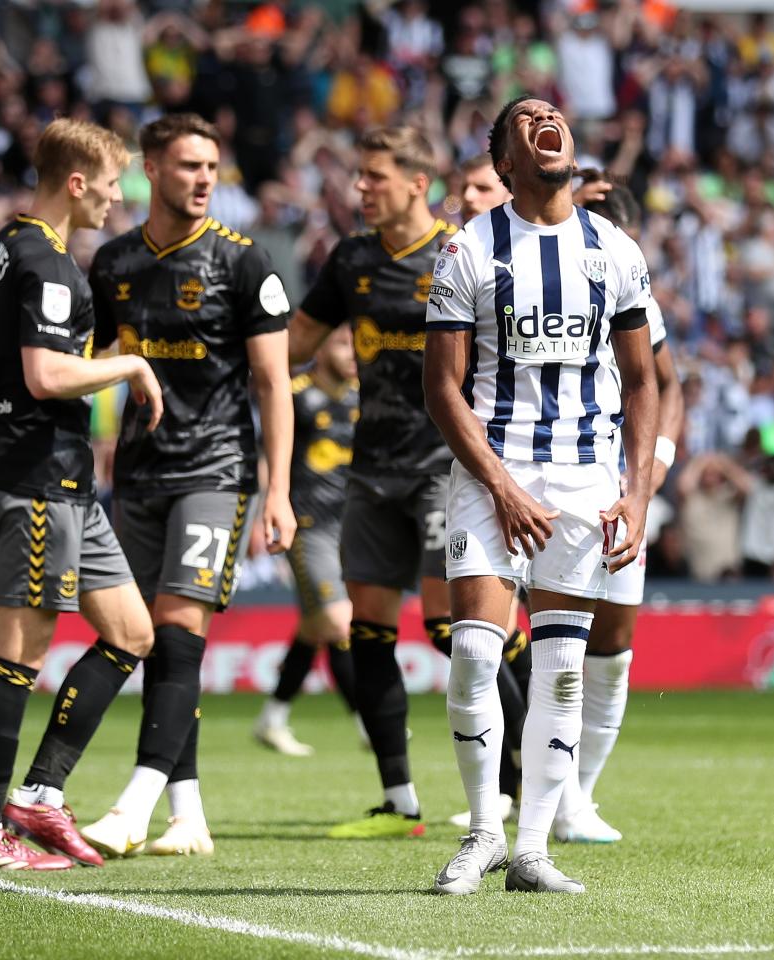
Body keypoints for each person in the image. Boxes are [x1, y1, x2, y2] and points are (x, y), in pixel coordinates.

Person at [424, 96, 658, 895]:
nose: (544, 119)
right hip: (493, 478)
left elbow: (643, 381)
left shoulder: (615, 250)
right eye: (524, 119)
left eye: (551, 112)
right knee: (473, 655)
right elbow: (442, 390)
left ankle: (530, 850)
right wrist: (501, 485)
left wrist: (638, 494)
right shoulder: (468, 251)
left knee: (562, 670)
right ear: (506, 161)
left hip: (584, 483)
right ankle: (483, 832)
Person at [79, 113, 296, 859]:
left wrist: (278, 491)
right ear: (149, 168)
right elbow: (91, 360)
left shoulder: (243, 262)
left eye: (211, 166)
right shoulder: (111, 264)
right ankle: (188, 814)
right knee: (155, 645)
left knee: (177, 630)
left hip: (217, 470)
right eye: (187, 166)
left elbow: (274, 382)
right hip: (138, 472)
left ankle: (134, 806)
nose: (203, 179)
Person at [0, 118, 163, 871]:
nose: (116, 197)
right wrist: (130, 367)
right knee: (20, 652)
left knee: (132, 633)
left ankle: (41, 794)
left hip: (55, 476)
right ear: (77, 182)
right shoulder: (44, 261)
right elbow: (43, 375)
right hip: (41, 477)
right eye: (111, 184)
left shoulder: (0, 252)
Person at [288, 126, 458, 840]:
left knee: (459, 632)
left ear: (418, 181)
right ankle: (401, 801)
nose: (361, 187)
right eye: (359, 176)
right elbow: (293, 344)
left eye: (375, 176)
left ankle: (527, 784)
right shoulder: (351, 259)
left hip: (449, 469)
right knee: (370, 633)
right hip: (372, 469)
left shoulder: (461, 252)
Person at [551, 176, 685, 845]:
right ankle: (515, 788)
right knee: (541, 640)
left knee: (611, 651)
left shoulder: (634, 292)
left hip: (617, 480)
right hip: (541, 471)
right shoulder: (531, 271)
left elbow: (667, 387)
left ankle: (577, 799)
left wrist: (652, 469)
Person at [449, 150, 531, 830]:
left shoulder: (557, 254)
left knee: (545, 639)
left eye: (480, 187)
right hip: (461, 463)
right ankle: (497, 801)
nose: (466, 197)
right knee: (473, 635)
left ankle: (534, 788)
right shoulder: (455, 255)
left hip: (552, 465)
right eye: (462, 188)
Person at [252, 323, 361, 756]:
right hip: (306, 523)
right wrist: (264, 512)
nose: (352, 352)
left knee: (317, 627)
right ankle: (370, 721)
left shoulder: (363, 394)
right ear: (319, 346)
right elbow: (266, 455)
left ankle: (272, 719)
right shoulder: (293, 392)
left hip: (353, 526)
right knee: (338, 622)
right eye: (341, 342)